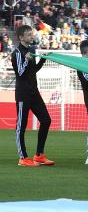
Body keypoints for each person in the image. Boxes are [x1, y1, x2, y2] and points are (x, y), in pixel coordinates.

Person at [11, 25, 53, 167]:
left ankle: (39, 155)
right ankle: (23, 157)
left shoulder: (31, 50)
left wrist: (42, 60)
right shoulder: (16, 53)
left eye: (32, 34)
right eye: (29, 35)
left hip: (34, 92)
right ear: (21, 37)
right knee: (21, 126)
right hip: (23, 94)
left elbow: (32, 71)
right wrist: (26, 60)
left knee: (46, 120)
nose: (32, 36)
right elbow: (20, 74)